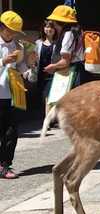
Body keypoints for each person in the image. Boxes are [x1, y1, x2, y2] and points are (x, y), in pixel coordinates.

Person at [0, 11, 35, 179]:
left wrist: (29, 70)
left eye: (15, 31)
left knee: (12, 131)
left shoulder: (18, 46)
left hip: (13, 93)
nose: (12, 34)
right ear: (3, 27)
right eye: (10, 30)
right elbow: (7, 64)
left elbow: (19, 66)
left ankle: (5, 164)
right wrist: (3, 62)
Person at [44, 5, 86, 88]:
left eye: (53, 21)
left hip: (71, 73)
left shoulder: (68, 35)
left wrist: (53, 66)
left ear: (57, 22)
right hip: (80, 71)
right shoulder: (79, 32)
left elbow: (65, 61)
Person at [35, 20, 57, 115]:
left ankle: (47, 119)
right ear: (43, 29)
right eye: (47, 27)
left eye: (51, 27)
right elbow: (34, 58)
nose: (49, 29)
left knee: (48, 95)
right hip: (41, 73)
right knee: (43, 96)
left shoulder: (57, 43)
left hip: (53, 73)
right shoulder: (38, 43)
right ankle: (49, 116)